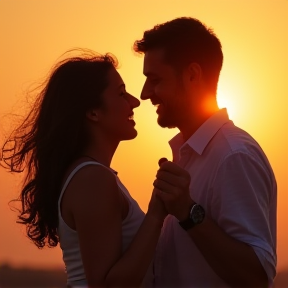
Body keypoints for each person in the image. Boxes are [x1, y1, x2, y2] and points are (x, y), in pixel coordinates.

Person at [0, 49, 190, 288]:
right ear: (93, 112)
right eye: (121, 94)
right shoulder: (93, 179)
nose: (134, 101)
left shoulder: (93, 175)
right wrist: (155, 214)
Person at [134, 17, 277, 288]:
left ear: (192, 75)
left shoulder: (234, 156)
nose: (144, 94)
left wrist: (188, 212)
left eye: (154, 80)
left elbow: (257, 275)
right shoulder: (189, 155)